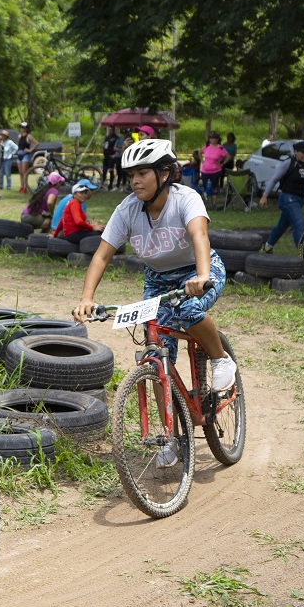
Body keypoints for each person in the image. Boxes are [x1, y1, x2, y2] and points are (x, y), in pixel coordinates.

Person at [72, 139, 236, 418]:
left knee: (188, 309)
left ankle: (220, 359)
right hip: (158, 280)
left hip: (196, 270)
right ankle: (169, 435)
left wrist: (203, 275)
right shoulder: (127, 209)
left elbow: (200, 236)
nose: (135, 181)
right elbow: (101, 255)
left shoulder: (186, 198)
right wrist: (87, 298)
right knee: (157, 354)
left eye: (142, 173)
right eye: (131, 175)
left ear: (164, 174)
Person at [257, 141, 304, 252]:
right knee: (299, 224)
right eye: (303, 152)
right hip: (287, 198)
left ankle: (268, 246)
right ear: (296, 152)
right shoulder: (288, 163)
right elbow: (274, 180)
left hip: (299, 200)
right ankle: (302, 253)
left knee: (282, 226)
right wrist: (265, 195)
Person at [52, 179, 102, 244]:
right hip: (73, 234)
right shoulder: (75, 203)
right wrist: (92, 227)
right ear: (74, 194)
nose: (83, 195)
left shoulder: (71, 202)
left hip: (70, 234)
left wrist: (55, 234)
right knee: (99, 233)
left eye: (84, 193)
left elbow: (62, 220)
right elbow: (78, 221)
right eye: (81, 193)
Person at [200, 131, 228, 207]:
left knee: (215, 186)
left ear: (217, 139)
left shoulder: (220, 148)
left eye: (214, 138)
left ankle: (214, 203)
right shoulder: (206, 147)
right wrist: (202, 160)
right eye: (211, 138)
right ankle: (206, 202)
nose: (212, 140)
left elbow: (228, 156)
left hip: (216, 170)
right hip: (205, 170)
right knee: (205, 186)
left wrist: (223, 163)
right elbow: (200, 152)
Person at [16, 121, 39, 194]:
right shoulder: (19, 136)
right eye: (21, 127)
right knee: (20, 172)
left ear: (26, 128)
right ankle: (21, 186)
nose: (22, 129)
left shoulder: (29, 136)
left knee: (24, 171)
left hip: (25, 154)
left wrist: (30, 150)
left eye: (23, 127)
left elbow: (36, 143)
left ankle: (25, 187)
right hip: (20, 154)